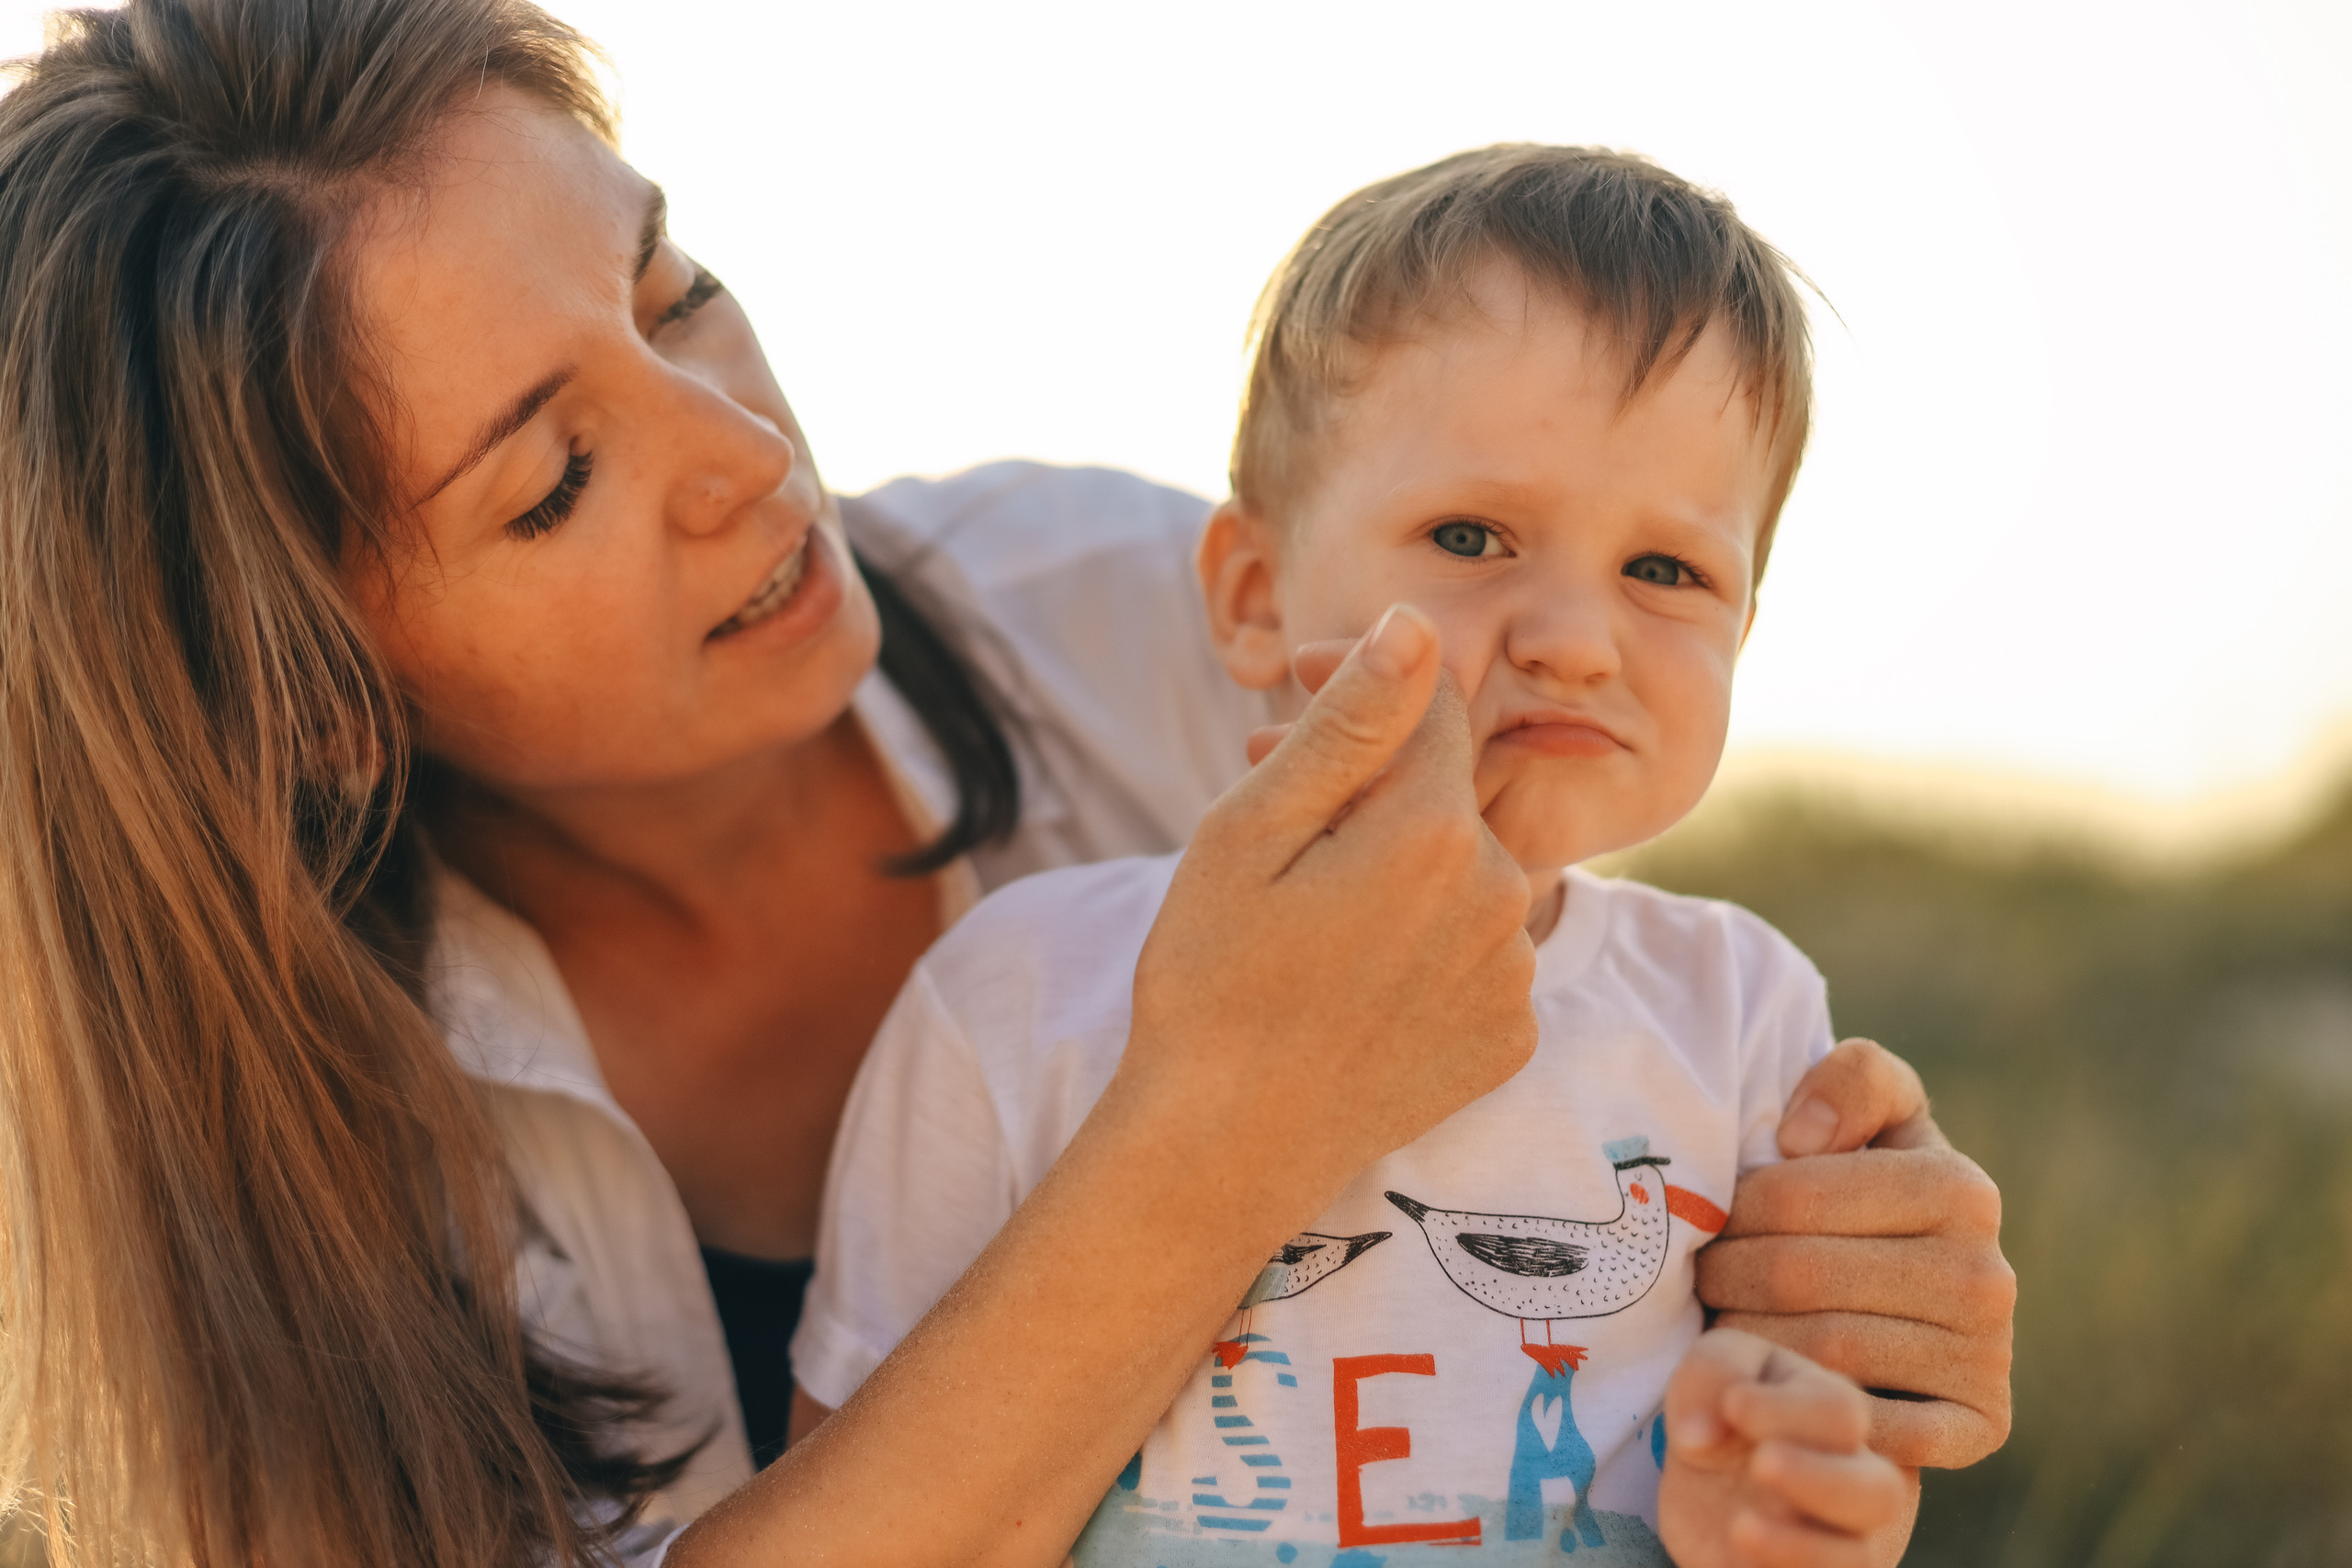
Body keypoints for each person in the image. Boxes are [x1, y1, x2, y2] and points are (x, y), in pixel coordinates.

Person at [0, 4, 2011, 1566]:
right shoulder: (220, 1166)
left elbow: (1641, 1106)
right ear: (315, 691)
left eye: (668, 286)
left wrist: (1861, 1290)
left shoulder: (1173, 623)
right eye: (556, 477)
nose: (737, 450)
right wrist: (1222, 1123)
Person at [789, 146, 1914, 1566]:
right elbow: (852, 1475)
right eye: (1472, 536)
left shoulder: (1746, 1016)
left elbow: (1801, 1443)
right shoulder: (1020, 992)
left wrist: (1784, 1507)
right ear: (1255, 599)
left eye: (1666, 571)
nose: (1576, 636)